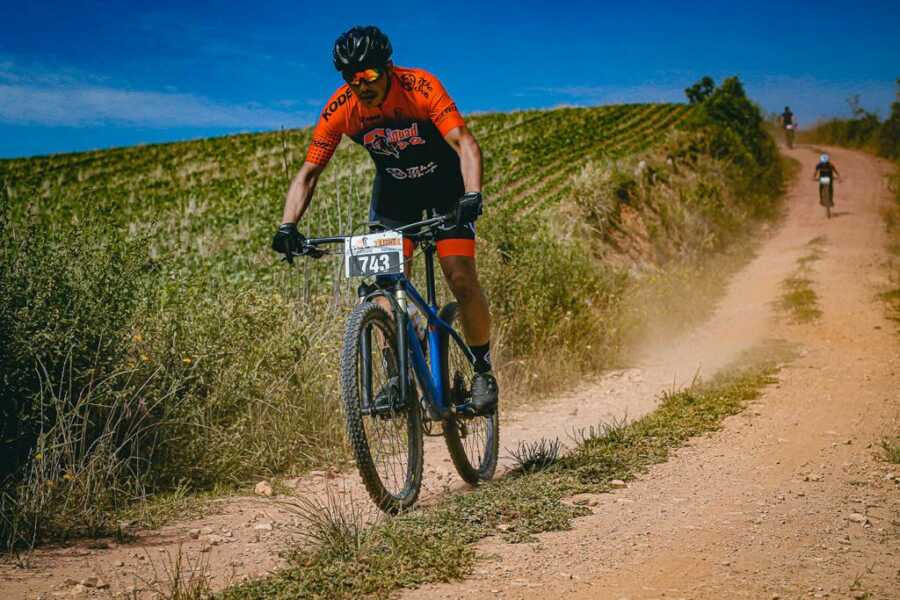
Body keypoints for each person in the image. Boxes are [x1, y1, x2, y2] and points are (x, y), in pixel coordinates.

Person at [271, 25, 498, 414]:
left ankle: (481, 369)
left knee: (460, 277)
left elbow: (465, 144)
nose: (361, 85)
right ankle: (398, 375)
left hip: (446, 189)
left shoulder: (420, 87)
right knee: (384, 289)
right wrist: (287, 225)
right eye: (351, 78)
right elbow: (308, 173)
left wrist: (473, 194)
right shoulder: (341, 108)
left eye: (369, 75)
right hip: (396, 195)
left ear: (388, 68)